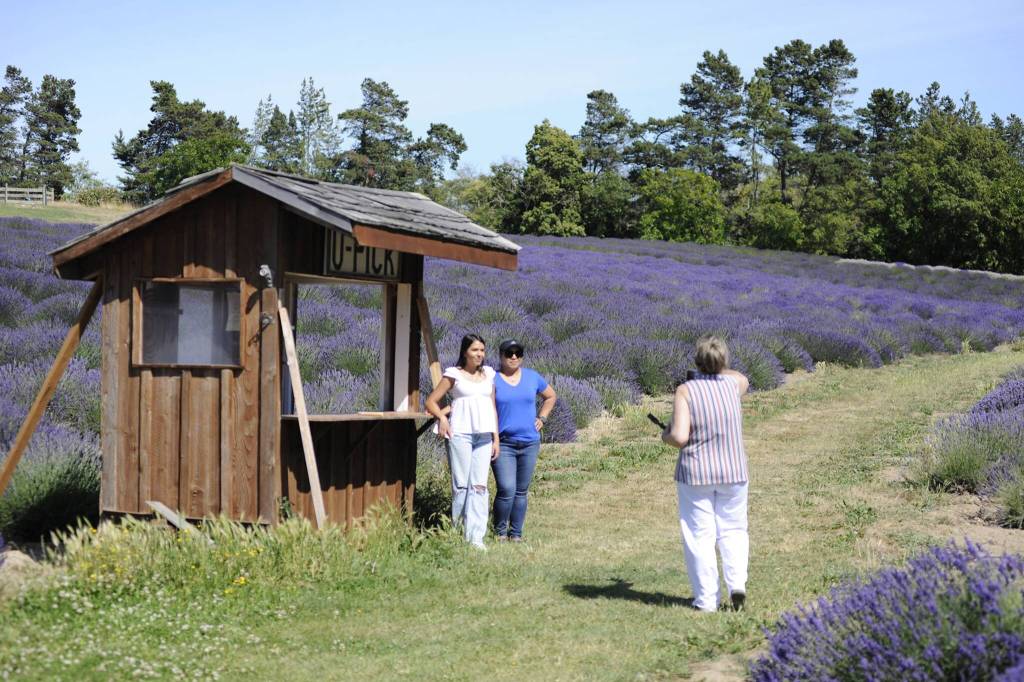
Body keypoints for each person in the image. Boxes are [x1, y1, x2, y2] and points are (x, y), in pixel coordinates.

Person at [661, 336, 750, 612]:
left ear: (697, 362)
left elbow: (679, 437)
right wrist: (718, 368)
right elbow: (741, 377)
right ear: (723, 362)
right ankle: (737, 585)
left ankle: (707, 600)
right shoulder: (734, 384)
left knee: (699, 535)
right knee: (734, 529)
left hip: (697, 472)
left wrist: (665, 435)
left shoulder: (686, 391)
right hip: (733, 470)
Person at [425, 334, 500, 549]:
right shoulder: (453, 374)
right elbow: (430, 401)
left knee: (479, 485)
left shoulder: (489, 374)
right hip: (461, 434)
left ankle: (476, 537)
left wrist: (496, 438)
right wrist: (442, 418)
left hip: (484, 434)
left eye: (482, 350)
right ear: (465, 351)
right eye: (475, 350)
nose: (480, 354)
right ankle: (457, 531)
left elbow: (492, 407)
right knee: (461, 485)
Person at [492, 339, 557, 542]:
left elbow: (551, 396)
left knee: (521, 491)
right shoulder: (492, 379)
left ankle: (516, 534)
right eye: (509, 353)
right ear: (501, 355)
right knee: (506, 488)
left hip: (529, 442)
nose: (513, 357)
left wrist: (542, 418)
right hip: (503, 442)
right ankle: (500, 532)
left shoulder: (531, 377)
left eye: (518, 353)